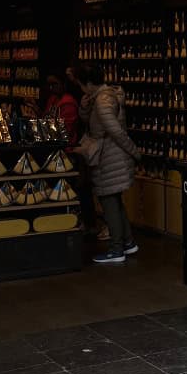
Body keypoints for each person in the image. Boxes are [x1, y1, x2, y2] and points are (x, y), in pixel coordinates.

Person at [73, 63, 140, 264]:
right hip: (113, 156)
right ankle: (127, 243)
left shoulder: (102, 101)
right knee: (114, 201)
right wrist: (84, 107)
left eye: (82, 85)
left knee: (108, 201)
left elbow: (115, 131)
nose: (82, 89)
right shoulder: (102, 97)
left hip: (109, 158)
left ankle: (116, 249)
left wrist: (134, 151)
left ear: (90, 83)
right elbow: (94, 122)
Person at [43, 74, 80, 146]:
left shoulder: (68, 102)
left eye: (54, 84)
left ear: (63, 83)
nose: (51, 87)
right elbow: (45, 118)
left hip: (64, 146)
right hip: (51, 142)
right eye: (49, 84)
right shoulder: (52, 98)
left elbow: (66, 130)